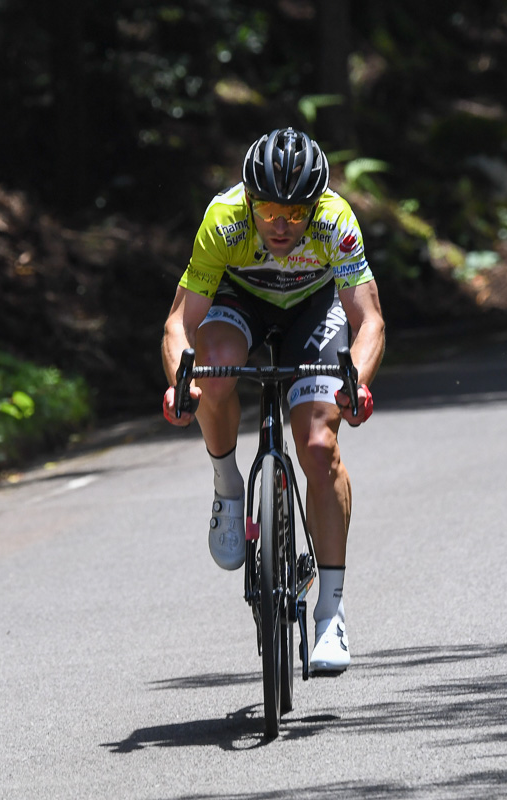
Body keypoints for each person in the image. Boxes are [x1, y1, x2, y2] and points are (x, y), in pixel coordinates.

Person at [161, 127, 385, 672]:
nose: (280, 225)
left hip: (314, 310)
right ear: (248, 200)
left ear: (314, 206)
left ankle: (329, 612)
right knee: (213, 373)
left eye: (294, 212)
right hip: (242, 303)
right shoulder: (224, 220)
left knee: (317, 444)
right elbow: (178, 324)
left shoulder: (336, 221)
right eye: (267, 210)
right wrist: (180, 384)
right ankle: (228, 486)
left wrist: (356, 380)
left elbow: (368, 320)